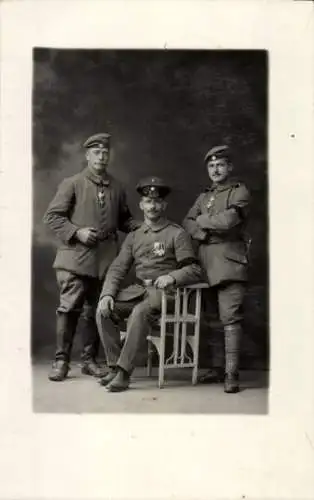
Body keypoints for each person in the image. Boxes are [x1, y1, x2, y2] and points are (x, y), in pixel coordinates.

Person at [43, 132, 139, 382]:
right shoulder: (72, 183)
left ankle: (89, 360)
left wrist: (144, 226)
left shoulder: (117, 186)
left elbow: (124, 220)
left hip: (105, 260)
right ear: (87, 156)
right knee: (69, 308)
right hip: (75, 259)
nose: (102, 156)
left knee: (97, 310)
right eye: (96, 152)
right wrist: (77, 232)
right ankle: (61, 360)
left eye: (105, 152)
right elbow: (53, 217)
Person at [96, 176, 202, 392]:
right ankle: (114, 366)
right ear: (141, 205)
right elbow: (117, 268)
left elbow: (194, 269)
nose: (152, 206)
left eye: (157, 202)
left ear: (164, 205)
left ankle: (125, 373)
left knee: (139, 312)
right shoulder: (134, 236)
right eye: (148, 201)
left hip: (167, 295)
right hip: (140, 292)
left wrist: (173, 277)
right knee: (103, 311)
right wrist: (106, 294)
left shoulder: (176, 233)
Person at [182, 145, 250, 393]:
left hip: (230, 263)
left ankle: (232, 374)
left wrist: (202, 222)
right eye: (211, 166)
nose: (216, 169)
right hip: (205, 265)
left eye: (220, 164)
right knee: (211, 319)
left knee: (230, 318)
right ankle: (217, 368)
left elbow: (229, 221)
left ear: (229, 167)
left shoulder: (239, 191)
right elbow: (187, 222)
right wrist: (201, 230)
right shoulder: (204, 196)